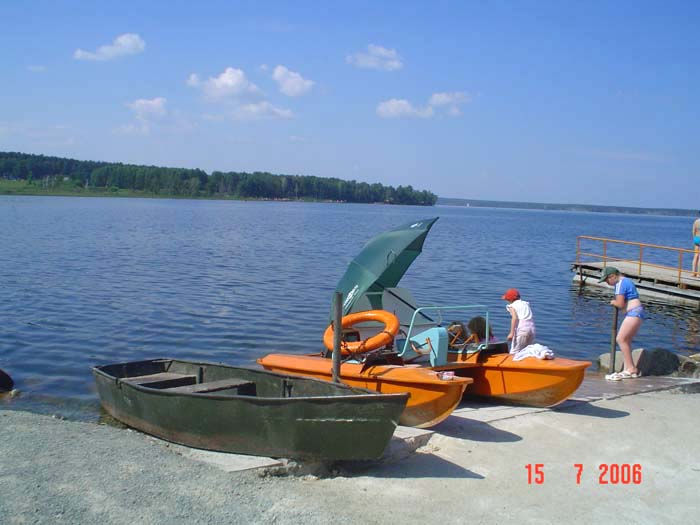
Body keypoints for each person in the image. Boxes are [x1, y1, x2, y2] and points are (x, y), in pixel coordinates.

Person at [599, 266, 643, 380]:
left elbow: (620, 304)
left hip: (633, 313)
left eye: (607, 280)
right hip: (637, 312)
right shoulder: (627, 281)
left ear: (613, 276)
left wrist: (613, 302)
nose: (607, 283)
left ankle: (630, 369)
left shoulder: (620, 284)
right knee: (626, 340)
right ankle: (630, 368)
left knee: (621, 339)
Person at [502, 288, 536, 353]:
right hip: (532, 329)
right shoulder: (525, 303)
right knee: (527, 351)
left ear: (510, 299)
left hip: (522, 330)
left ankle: (513, 362)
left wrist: (511, 333)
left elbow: (514, 318)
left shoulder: (511, 306)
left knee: (514, 351)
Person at [692, 211, 700, 277]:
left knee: (695, 255)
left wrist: (694, 239)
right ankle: (698, 274)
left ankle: (693, 272)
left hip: (696, 238)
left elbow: (693, 231)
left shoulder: (696, 221)